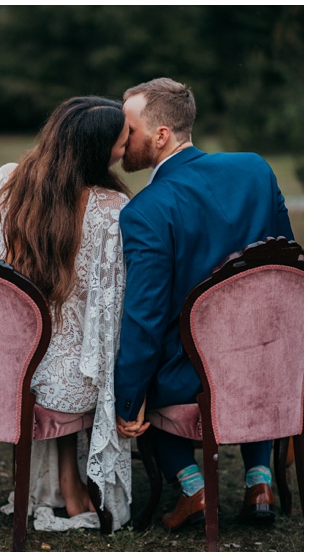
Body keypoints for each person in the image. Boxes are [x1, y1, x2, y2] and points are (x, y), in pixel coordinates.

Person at [112, 78, 295, 530]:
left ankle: (193, 487)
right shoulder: (255, 170)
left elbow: (145, 318)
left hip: (195, 377)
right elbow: (285, 268)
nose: (121, 140)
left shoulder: (146, 211)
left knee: (141, 383)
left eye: (128, 130)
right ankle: (259, 480)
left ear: (161, 135)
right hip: (266, 362)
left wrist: (127, 397)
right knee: (248, 359)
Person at [0, 96, 133, 531]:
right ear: (98, 150)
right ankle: (72, 486)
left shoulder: (6, 181)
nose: (128, 145)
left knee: (63, 347)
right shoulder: (112, 209)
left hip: (5, 356)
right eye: (122, 138)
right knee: (95, 356)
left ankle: (65, 483)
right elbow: (114, 307)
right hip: (69, 377)